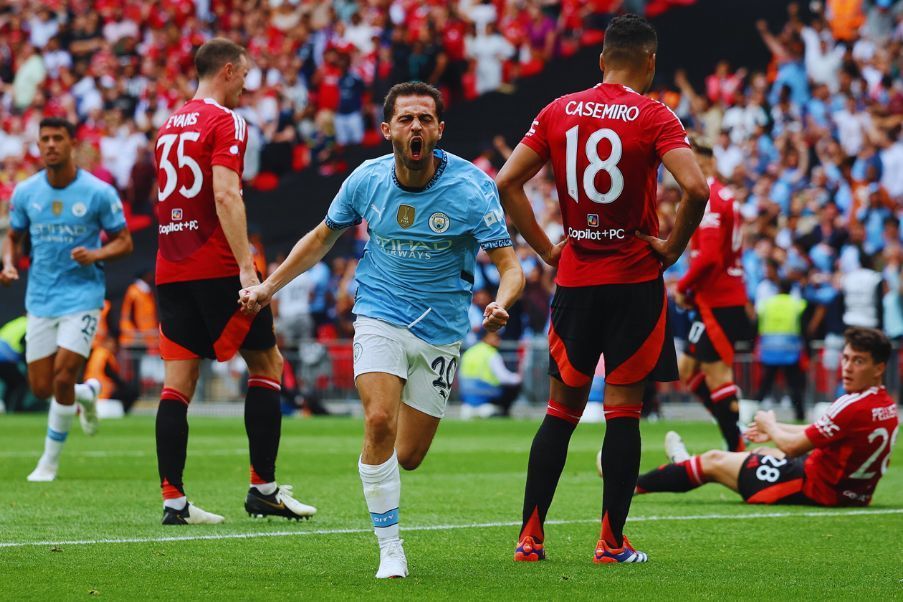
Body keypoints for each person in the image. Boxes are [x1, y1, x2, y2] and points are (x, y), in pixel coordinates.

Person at [239, 81, 524, 578]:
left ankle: (387, 488)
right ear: (388, 128)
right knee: (377, 422)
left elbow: (510, 266)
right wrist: (268, 287)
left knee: (408, 455)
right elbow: (321, 239)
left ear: (439, 130)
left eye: (425, 119)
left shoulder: (472, 187)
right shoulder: (366, 180)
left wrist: (502, 301)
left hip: (441, 328)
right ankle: (390, 549)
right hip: (379, 313)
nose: (416, 127)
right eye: (407, 118)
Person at [495, 14, 709, 564]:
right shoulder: (656, 115)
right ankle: (611, 542)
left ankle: (529, 538)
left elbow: (506, 181)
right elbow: (696, 187)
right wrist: (672, 249)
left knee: (559, 411)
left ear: (601, 60)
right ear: (650, 62)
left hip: (576, 280)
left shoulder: (558, 109)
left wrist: (546, 249)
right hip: (635, 281)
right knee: (624, 412)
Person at [152, 38, 316, 526]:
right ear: (227, 70)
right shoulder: (227, 121)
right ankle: (263, 490)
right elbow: (226, 195)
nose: (246, 84)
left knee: (177, 384)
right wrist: (247, 268)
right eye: (244, 74)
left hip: (170, 264)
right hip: (217, 263)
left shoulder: (168, 124)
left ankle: (174, 501)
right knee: (267, 363)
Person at [0, 117, 134, 481]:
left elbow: (125, 242)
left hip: (82, 295)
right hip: (40, 297)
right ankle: (87, 394)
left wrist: (97, 254)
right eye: (44, 139)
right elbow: (13, 237)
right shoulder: (26, 192)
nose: (50, 145)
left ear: (72, 144)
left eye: (58, 138)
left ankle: (48, 462)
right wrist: (9, 264)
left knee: (61, 378)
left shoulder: (98, 192)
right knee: (41, 387)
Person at [637, 327, 898, 508]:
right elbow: (820, 430)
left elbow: (793, 447)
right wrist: (774, 429)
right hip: (854, 495)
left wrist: (771, 425)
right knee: (764, 452)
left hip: (813, 488)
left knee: (714, 461)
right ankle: (683, 468)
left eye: (858, 361)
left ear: (879, 368)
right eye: (846, 359)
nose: (847, 368)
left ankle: (634, 485)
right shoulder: (886, 405)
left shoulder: (851, 404)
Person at [675, 136, 754, 452]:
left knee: (717, 373)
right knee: (688, 370)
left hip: (720, 300)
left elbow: (710, 258)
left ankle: (737, 448)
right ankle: (732, 428)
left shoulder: (708, 196)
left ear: (703, 161)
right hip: (714, 298)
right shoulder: (724, 195)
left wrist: (682, 285)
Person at [756, 279, 807, 420]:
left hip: (769, 349)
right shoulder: (797, 304)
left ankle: (752, 410)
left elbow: (757, 322)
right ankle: (800, 414)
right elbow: (804, 326)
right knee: (793, 384)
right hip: (789, 350)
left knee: (766, 383)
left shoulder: (767, 303)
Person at [458, 329, 522, 419]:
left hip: (466, 394)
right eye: (494, 336)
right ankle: (503, 412)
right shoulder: (491, 353)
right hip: (486, 393)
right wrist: (518, 378)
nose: (498, 339)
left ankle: (474, 408)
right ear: (485, 337)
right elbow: (504, 377)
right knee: (514, 385)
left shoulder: (469, 351)